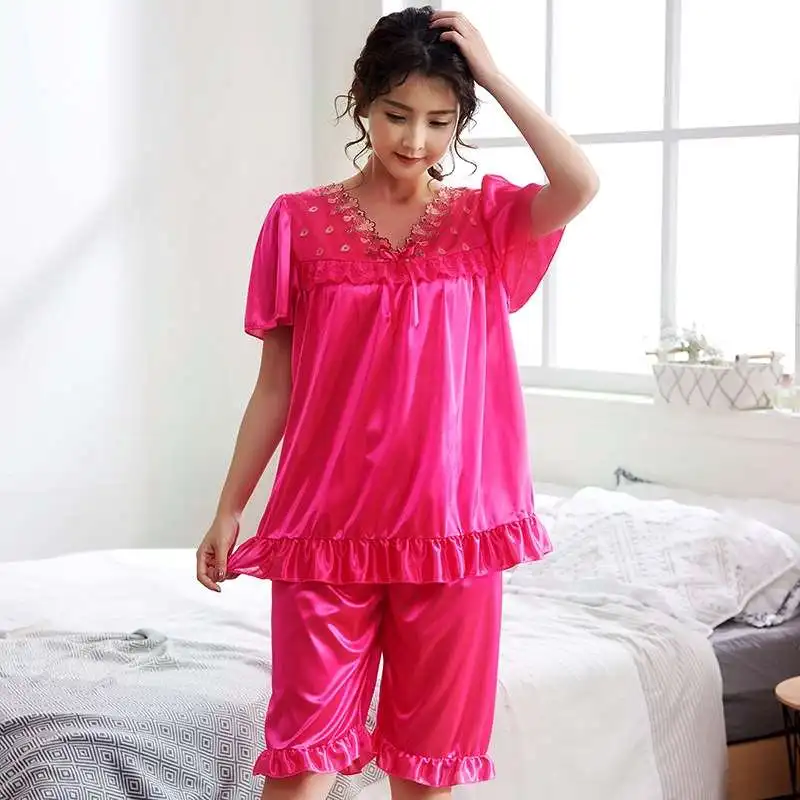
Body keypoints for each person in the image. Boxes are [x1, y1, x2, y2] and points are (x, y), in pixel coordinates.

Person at [196, 6, 598, 800]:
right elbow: (276, 385)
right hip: (325, 529)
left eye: (440, 122)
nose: (416, 140)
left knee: (425, 776)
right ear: (362, 103)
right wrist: (230, 507)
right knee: (299, 764)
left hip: (452, 535)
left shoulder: (485, 221)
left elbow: (579, 184)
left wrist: (491, 74)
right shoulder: (298, 223)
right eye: (397, 114)